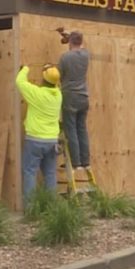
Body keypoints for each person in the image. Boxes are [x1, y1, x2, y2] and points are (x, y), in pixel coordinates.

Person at [15, 63, 63, 202]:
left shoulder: (36, 94)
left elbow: (20, 81)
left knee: (30, 172)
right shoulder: (58, 95)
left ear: (43, 79)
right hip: (52, 141)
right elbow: (53, 82)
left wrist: (25, 68)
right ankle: (51, 206)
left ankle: (31, 208)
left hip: (35, 140)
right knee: (50, 173)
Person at [58, 30, 91, 169]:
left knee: (70, 129)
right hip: (83, 96)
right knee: (81, 129)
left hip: (70, 96)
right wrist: (69, 37)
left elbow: (59, 75)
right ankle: (85, 162)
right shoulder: (86, 55)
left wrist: (68, 39)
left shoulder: (65, 57)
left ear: (70, 42)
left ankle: (75, 163)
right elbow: (79, 45)